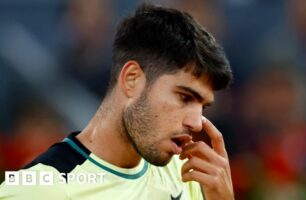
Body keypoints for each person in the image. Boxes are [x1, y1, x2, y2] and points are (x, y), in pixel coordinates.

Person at [0, 4, 234, 200]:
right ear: (132, 79)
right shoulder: (39, 189)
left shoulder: (187, 174)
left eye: (202, 106)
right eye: (184, 97)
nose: (196, 122)